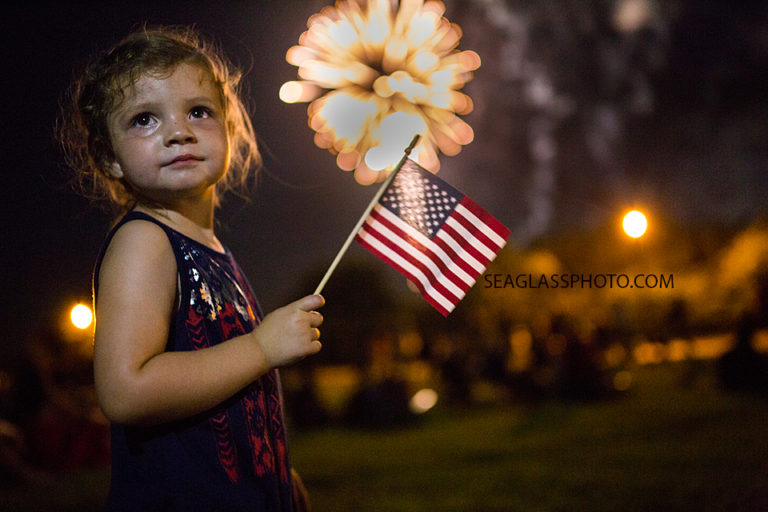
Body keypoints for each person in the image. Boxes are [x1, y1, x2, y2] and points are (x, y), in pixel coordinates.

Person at [57, 25, 324, 511]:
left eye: (199, 111)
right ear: (108, 157)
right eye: (144, 119)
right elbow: (126, 391)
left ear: (230, 129)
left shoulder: (210, 246)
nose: (179, 131)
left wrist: (276, 477)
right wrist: (262, 347)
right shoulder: (145, 240)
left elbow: (226, 393)